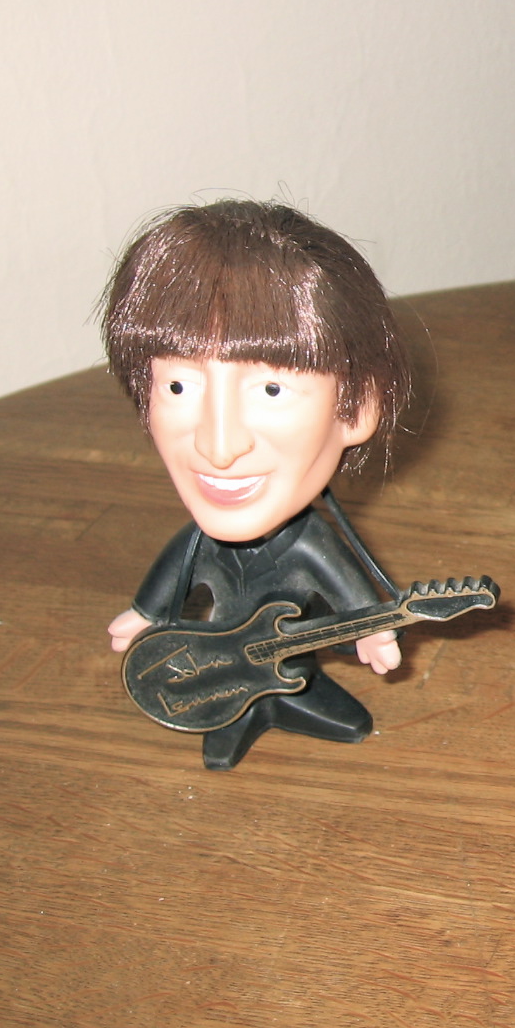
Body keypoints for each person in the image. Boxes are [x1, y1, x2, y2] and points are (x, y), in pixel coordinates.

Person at [102, 199, 412, 769]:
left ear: (357, 409)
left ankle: (285, 699)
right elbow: (174, 571)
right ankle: (239, 710)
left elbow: (351, 595)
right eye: (177, 387)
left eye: (271, 390)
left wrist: (372, 632)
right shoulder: (198, 542)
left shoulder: (312, 545)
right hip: (220, 669)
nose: (218, 447)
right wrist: (146, 613)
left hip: (287, 669)